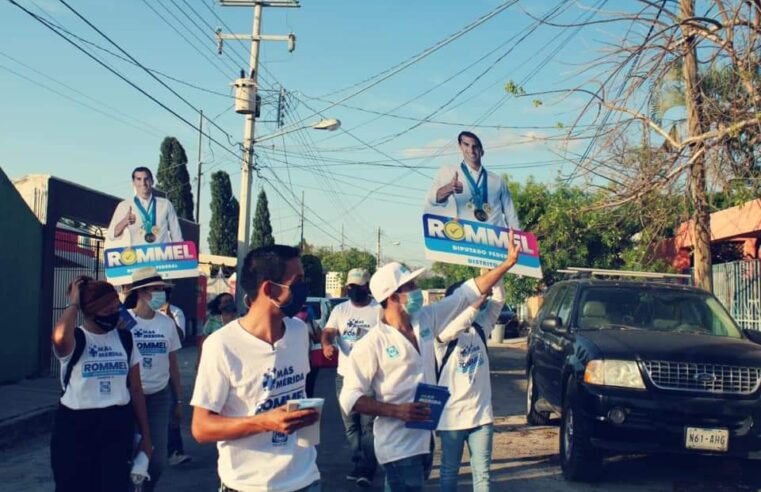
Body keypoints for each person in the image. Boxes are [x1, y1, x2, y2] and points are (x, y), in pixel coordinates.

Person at [339, 233, 521, 492]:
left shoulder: (424, 320)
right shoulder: (372, 344)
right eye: (410, 287)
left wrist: (507, 264)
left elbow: (467, 294)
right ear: (392, 296)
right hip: (398, 447)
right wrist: (396, 411)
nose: (416, 292)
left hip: (425, 439)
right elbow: (348, 398)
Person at [191, 245, 321, 492]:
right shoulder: (221, 345)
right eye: (297, 281)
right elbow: (201, 427)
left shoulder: (298, 331)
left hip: (306, 478)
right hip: (251, 485)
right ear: (269, 289)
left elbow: (298, 394)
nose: (304, 289)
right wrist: (265, 422)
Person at [50, 276, 152, 492]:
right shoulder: (76, 339)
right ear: (90, 312)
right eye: (107, 311)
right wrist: (74, 303)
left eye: (116, 308)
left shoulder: (125, 339)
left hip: (116, 424)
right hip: (75, 427)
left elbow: (135, 389)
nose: (114, 315)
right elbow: (58, 337)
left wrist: (145, 435)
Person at [435, 276, 505, 492]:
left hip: (482, 417)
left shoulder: (480, 328)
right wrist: (473, 302)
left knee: (482, 475)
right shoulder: (442, 334)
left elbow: (499, 301)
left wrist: (496, 275)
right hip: (452, 419)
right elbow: (459, 324)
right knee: (449, 471)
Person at [123, 267, 184, 492]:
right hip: (127, 397)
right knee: (127, 453)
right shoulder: (124, 320)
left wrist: (178, 400)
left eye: (162, 289)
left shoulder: (166, 324)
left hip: (159, 397)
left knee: (157, 460)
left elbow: (174, 365)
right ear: (141, 293)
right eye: (156, 289)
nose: (161, 294)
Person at [321, 268, 380, 487]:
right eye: (350, 287)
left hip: (370, 378)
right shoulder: (340, 310)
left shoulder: (378, 310)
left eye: (358, 287)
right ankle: (358, 460)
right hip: (344, 376)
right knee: (350, 424)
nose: (353, 290)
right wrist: (327, 344)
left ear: (367, 288)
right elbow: (328, 331)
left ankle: (367, 468)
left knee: (368, 426)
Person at [425, 131, 520, 229]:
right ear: (460, 146)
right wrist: (449, 188)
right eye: (466, 145)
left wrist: (518, 240)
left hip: (496, 238)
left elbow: (511, 215)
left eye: (475, 146)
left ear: (482, 152)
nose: (471, 150)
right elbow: (433, 199)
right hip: (465, 237)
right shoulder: (449, 171)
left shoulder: (498, 180)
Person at [106, 166, 183, 249]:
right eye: (139, 179)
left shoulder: (166, 204)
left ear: (152, 181)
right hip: (138, 259)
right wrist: (124, 221)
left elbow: (177, 236)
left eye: (146, 179)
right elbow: (112, 234)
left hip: (162, 259)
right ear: (133, 182)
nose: (143, 183)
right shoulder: (124, 206)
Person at [159, 286, 190, 467]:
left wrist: (170, 318)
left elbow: (180, 339)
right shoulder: (136, 314)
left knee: (170, 412)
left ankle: (175, 451)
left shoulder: (176, 312)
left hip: (166, 371)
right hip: (140, 373)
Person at [196, 292, 238, 369]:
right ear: (219, 306)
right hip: (216, 362)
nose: (229, 303)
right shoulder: (212, 321)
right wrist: (199, 362)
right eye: (225, 302)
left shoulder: (240, 321)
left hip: (236, 362)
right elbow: (203, 343)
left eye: (231, 301)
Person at [296, 304, 322, 398]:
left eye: (305, 309)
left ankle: (308, 407)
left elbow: (320, 338)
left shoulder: (311, 323)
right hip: (295, 362)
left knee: (309, 388)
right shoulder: (290, 324)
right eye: (301, 310)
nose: (303, 312)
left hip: (310, 361)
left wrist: (310, 335)